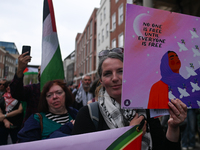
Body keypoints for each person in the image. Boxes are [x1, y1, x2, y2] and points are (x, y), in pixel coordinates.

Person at [72, 49, 187, 150]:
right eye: (107, 74)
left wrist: (173, 127)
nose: (115, 78)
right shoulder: (87, 115)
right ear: (101, 81)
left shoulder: (145, 110)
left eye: (120, 71)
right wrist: (130, 136)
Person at [10, 52, 40, 126]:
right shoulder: (33, 89)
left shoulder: (61, 90)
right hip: (32, 130)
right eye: (39, 70)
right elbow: (15, 92)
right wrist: (20, 69)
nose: (39, 72)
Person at [0, 81, 23, 145]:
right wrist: (5, 121)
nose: (8, 87)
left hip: (16, 125)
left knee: (16, 143)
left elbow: (20, 110)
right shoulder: (3, 97)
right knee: (2, 144)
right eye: (7, 86)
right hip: (3, 125)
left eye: (10, 86)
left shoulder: (19, 97)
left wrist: (5, 116)